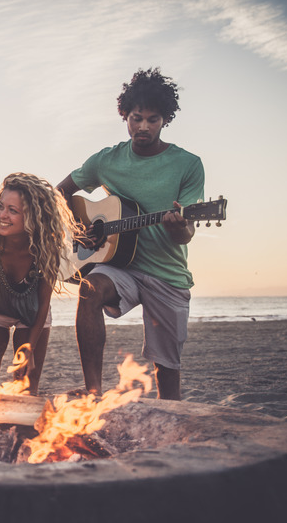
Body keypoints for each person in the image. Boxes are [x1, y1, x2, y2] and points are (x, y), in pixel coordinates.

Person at [56, 68, 205, 400]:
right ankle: (94, 391)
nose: (143, 127)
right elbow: (57, 193)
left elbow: (185, 235)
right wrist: (78, 230)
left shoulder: (188, 165)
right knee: (89, 289)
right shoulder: (106, 160)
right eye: (136, 118)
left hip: (167, 272)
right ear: (125, 115)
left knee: (167, 377)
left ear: (165, 120)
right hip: (121, 266)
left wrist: (180, 227)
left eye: (153, 120)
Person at [0, 173, 82, 395]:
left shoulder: (46, 247)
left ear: (33, 217)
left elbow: (44, 304)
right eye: (1, 207)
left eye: (12, 211)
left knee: (26, 388)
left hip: (32, 314)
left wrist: (29, 350)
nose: (2, 215)